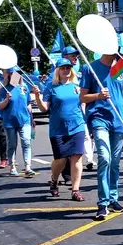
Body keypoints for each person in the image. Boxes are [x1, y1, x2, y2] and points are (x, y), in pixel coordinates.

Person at [80, 52, 123, 221]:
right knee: (105, 158)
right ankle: (102, 202)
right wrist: (98, 96)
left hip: (119, 120)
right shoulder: (90, 68)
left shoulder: (121, 68)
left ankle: (113, 198)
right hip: (99, 118)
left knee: (115, 162)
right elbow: (83, 97)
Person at [32, 58, 86, 201]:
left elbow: (84, 103)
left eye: (68, 68)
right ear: (57, 71)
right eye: (62, 68)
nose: (66, 70)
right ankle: (54, 179)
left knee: (77, 157)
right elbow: (44, 108)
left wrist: (87, 121)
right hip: (58, 128)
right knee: (60, 160)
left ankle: (75, 190)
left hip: (77, 125)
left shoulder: (78, 85)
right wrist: (37, 97)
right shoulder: (51, 86)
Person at [61, 47, 97, 173]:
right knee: (68, 141)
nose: (75, 58)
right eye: (72, 56)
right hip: (66, 114)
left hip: (81, 111)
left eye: (76, 55)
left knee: (87, 135)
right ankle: (66, 169)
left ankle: (88, 160)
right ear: (65, 57)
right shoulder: (58, 73)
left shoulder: (79, 72)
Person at [0, 68, 36, 178]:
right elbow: (0, 106)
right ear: (9, 76)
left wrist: (32, 117)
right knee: (12, 144)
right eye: (13, 74)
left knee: (26, 142)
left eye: (18, 74)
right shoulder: (4, 89)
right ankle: (12, 166)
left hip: (24, 120)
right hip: (10, 121)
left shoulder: (24, 88)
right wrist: (7, 99)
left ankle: (28, 166)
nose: (16, 76)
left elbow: (28, 103)